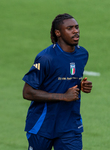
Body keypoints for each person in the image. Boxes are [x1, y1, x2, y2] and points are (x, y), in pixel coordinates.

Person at [22, 13, 92, 150]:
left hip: (70, 125)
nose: (75, 31)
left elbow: (70, 78)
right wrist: (63, 97)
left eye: (76, 27)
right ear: (58, 33)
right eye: (70, 28)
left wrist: (82, 85)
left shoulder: (82, 54)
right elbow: (27, 93)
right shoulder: (45, 58)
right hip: (42, 125)